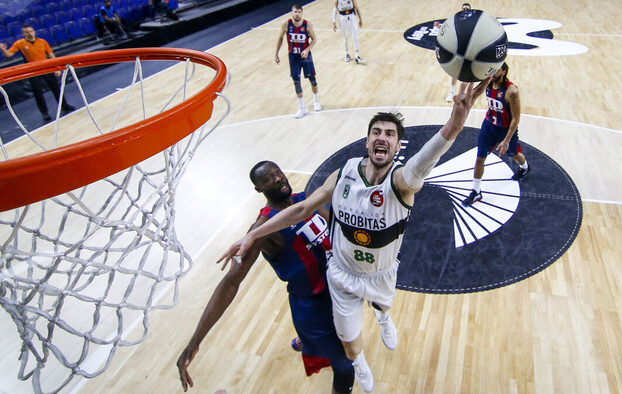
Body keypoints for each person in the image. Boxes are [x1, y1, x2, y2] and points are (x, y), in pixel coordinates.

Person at [219, 80, 490, 392]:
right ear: (367, 141)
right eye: (377, 132)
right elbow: (303, 207)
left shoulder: (403, 181)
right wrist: (253, 236)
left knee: (382, 306)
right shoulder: (344, 173)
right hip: (342, 274)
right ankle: (360, 363)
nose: (382, 137)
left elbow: (425, 160)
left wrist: (454, 127)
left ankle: (384, 317)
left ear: (398, 146)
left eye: (390, 134)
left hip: (381, 273)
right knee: (349, 347)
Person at [177, 161, 354, 394]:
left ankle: (305, 340)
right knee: (345, 365)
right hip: (313, 308)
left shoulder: (305, 199)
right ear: (259, 189)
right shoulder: (261, 229)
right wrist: (195, 342)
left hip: (338, 293)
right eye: (268, 178)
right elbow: (231, 282)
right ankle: (311, 342)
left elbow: (341, 227)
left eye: (278, 172)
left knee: (351, 340)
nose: (278, 178)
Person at [462, 62, 530, 207]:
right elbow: (474, 90)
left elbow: (516, 118)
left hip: (505, 129)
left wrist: (506, 140)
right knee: (480, 157)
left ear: (504, 71)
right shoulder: (488, 81)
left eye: (496, 70)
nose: (491, 73)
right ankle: (476, 191)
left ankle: (524, 167)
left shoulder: (511, 91)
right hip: (489, 125)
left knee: (513, 154)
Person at [0, 25, 76, 122]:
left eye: (31, 31)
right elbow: (9, 54)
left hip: (46, 68)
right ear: (23, 33)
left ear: (34, 31)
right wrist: (3, 50)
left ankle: (64, 105)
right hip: (33, 71)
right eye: (27, 32)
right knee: (38, 92)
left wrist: (57, 68)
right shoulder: (20, 43)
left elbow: (51, 55)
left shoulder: (42, 42)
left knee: (56, 88)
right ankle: (44, 113)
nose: (29, 33)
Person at [275, 4, 322, 119]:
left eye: (299, 12)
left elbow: (314, 39)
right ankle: (302, 107)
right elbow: (280, 38)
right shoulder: (286, 24)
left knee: (312, 80)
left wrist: (307, 49)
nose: (297, 14)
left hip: (305, 56)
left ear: (302, 13)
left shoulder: (307, 24)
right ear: (292, 13)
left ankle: (316, 100)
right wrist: (276, 53)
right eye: (295, 12)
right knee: (296, 81)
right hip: (293, 57)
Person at [438, 3, 472, 102]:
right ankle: (452, 92)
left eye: (467, 9)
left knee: (469, 71)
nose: (465, 10)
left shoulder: (473, 21)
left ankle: (465, 93)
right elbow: (447, 28)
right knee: (455, 71)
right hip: (459, 48)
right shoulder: (457, 19)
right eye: (464, 8)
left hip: (470, 48)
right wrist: (439, 26)